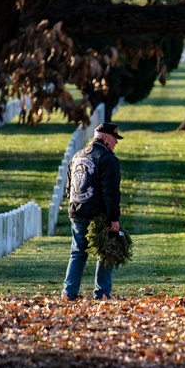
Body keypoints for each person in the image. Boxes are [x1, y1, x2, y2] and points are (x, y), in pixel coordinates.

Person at [62, 122, 124, 300]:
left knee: (78, 252)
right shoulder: (107, 159)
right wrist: (114, 219)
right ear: (105, 138)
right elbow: (110, 192)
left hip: (77, 211)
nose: (116, 143)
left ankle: (68, 293)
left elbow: (69, 187)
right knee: (106, 250)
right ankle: (102, 293)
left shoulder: (77, 156)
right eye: (114, 139)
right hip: (98, 214)